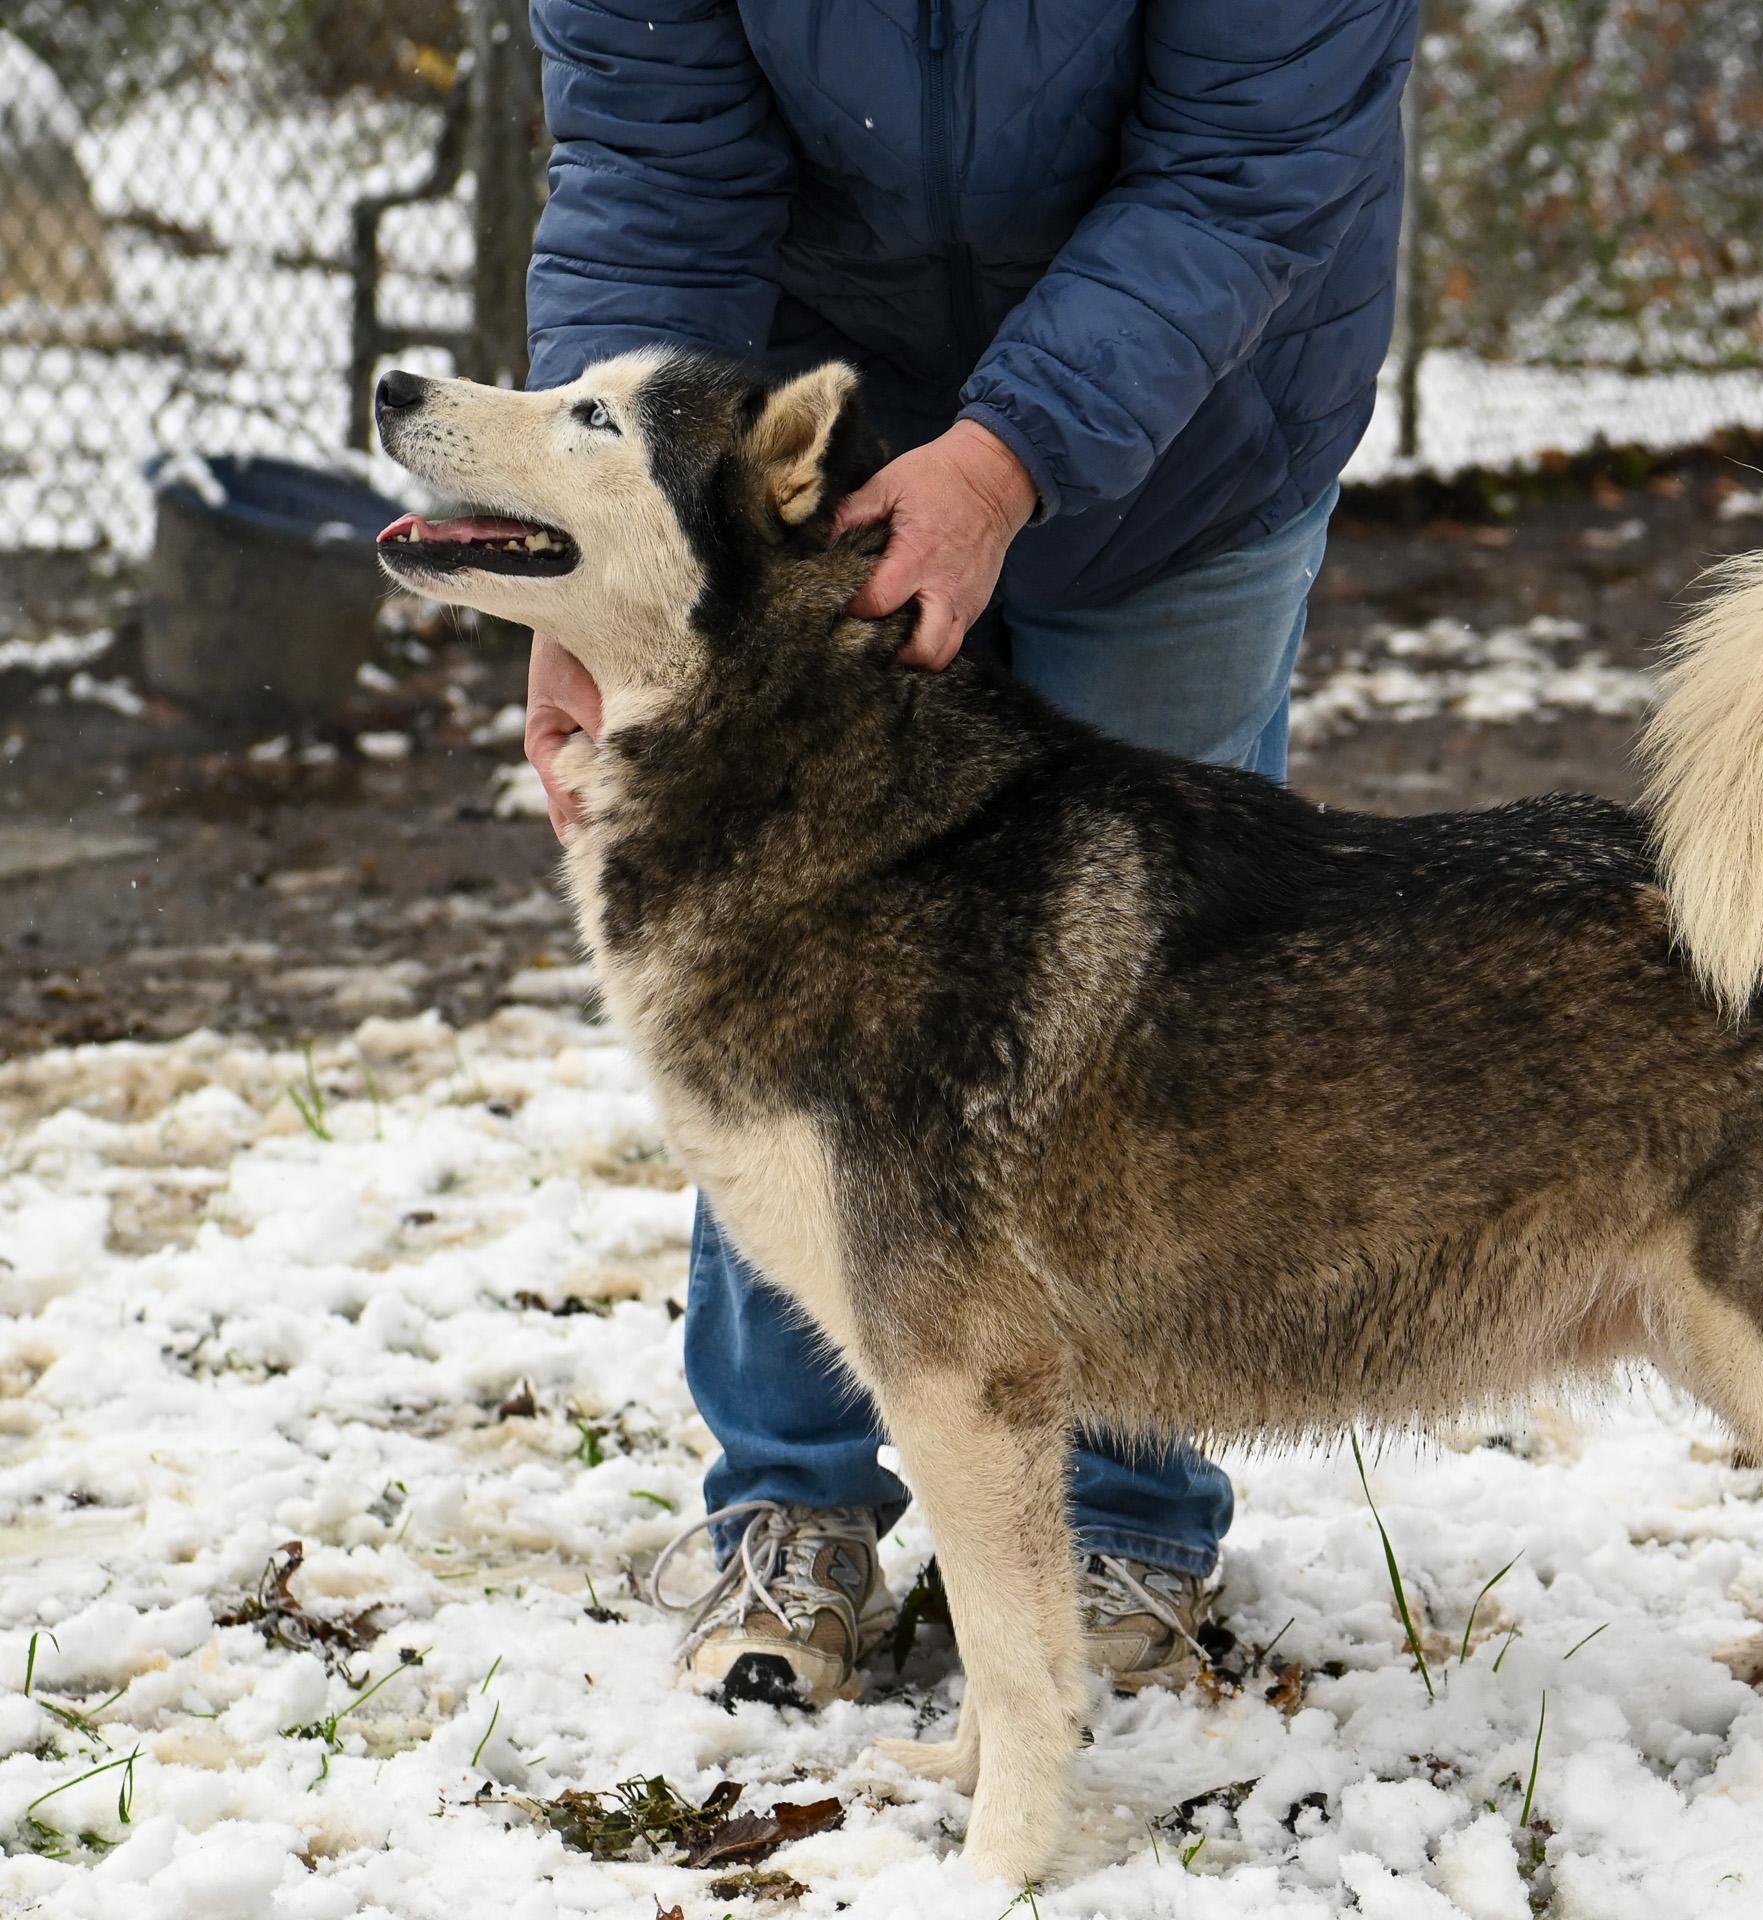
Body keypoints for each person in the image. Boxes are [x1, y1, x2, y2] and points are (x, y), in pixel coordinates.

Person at [518, 0, 1419, 1707]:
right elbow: (655, 178)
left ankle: (1126, 1516)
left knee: (1158, 981)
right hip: (805, 435)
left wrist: (1008, 461)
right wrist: (605, 564)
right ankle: (796, 1503)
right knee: (786, 948)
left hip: (1194, 420)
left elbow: (1242, 173)